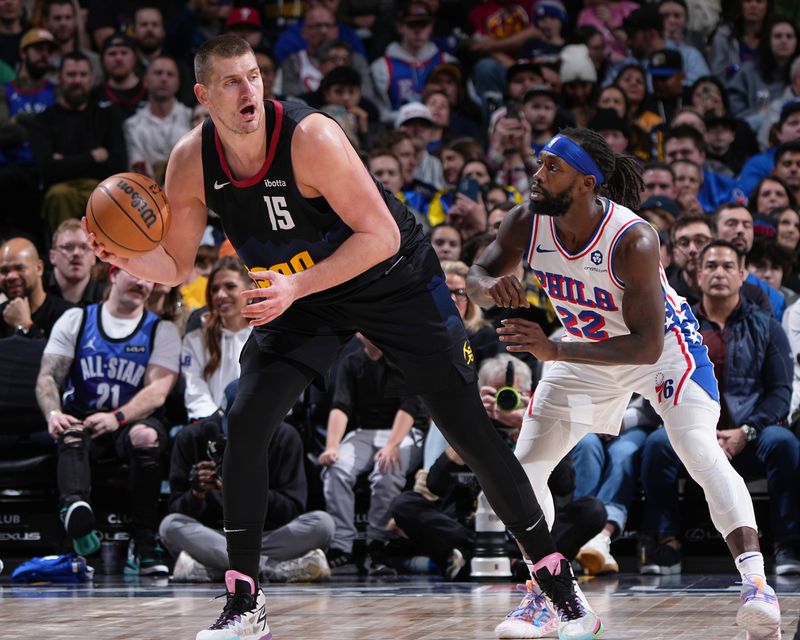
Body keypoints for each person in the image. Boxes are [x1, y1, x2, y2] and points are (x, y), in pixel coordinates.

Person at [83, 35, 592, 640]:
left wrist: (295, 289)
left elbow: (378, 235)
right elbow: (174, 262)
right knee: (244, 420)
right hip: (302, 292)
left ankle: (561, 591)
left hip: (393, 278)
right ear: (202, 94)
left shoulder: (310, 136)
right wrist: (126, 257)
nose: (248, 91)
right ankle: (245, 604)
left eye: (253, 77)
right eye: (231, 82)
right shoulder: (191, 160)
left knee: (469, 432)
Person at [466, 127, 782, 639]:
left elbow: (644, 346)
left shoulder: (632, 238)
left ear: (587, 183)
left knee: (697, 448)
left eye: (552, 168)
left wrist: (551, 350)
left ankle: (756, 584)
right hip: (585, 348)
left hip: (663, 352)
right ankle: (547, 596)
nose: (538, 175)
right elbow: (477, 271)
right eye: (540, 163)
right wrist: (488, 287)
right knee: (521, 474)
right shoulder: (527, 220)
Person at [641, 240, 800, 576]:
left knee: (784, 443)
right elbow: (657, 380)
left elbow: (780, 393)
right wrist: (698, 432)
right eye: (710, 266)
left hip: (750, 437)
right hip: (693, 434)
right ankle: (664, 544)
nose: (719, 273)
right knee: (656, 444)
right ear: (698, 276)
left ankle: (787, 544)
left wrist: (747, 430)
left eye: (728, 266)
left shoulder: (767, 326)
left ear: (743, 274)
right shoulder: (678, 325)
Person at [35, 266, 181, 574]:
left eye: (148, 277)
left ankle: (143, 542)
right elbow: (48, 377)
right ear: (113, 274)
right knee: (70, 430)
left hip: (130, 421)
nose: (143, 282)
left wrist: (118, 417)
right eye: (135, 273)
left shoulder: (161, 329)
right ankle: (76, 514)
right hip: (84, 419)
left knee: (146, 437)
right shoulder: (77, 319)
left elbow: (158, 391)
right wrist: (53, 413)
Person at [161, 387, 335, 584]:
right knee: (170, 525)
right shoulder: (192, 438)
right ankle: (270, 569)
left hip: (266, 536)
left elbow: (291, 509)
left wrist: (249, 490)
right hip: (216, 537)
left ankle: (215, 568)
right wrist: (196, 494)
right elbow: (176, 509)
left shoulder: (285, 437)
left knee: (323, 524)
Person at [319, 333, 427, 575]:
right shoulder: (351, 362)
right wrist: (332, 446)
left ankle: (377, 542)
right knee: (336, 469)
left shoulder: (403, 359)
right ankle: (342, 545)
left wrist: (391, 445)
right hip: (364, 431)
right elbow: (341, 406)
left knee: (387, 470)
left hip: (402, 431)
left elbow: (408, 407)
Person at [0, 236, 74, 338]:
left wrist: (25, 326)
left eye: (19, 268)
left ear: (39, 268)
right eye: (4, 271)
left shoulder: (69, 315)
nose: (11, 276)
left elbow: (53, 354)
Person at [46, 218, 103, 306]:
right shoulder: (37, 288)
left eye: (84, 247)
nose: (76, 253)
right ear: (52, 256)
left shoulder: (105, 297)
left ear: (94, 257)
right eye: (68, 247)